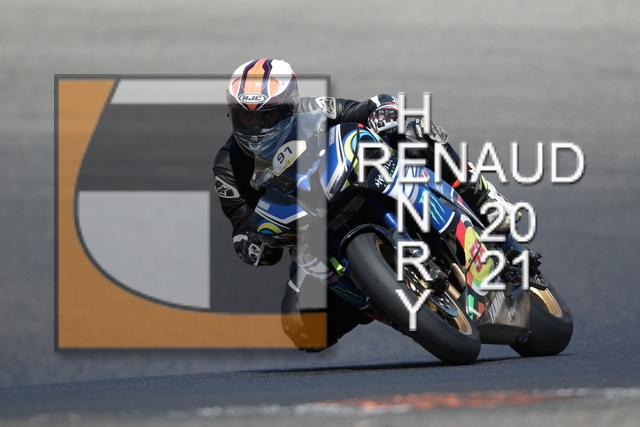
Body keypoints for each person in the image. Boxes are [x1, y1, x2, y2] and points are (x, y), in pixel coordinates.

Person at [212, 58, 514, 351]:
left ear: (290, 106)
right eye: (246, 117)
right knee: (302, 329)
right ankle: (375, 295)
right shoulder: (228, 166)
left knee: (413, 132)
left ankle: (482, 196)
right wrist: (251, 243)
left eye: (266, 116)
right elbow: (243, 221)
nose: (255, 126)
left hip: (355, 182)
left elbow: (367, 107)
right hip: (310, 231)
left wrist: (384, 111)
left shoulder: (315, 109)